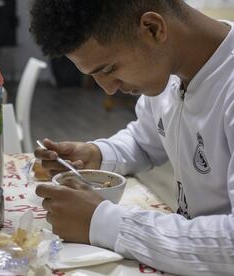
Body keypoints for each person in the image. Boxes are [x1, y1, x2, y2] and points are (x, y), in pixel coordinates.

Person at [29, 1, 234, 275]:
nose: (109, 90)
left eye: (110, 69)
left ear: (152, 28)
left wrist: (103, 222)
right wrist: (96, 154)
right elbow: (145, 139)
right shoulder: (170, 73)